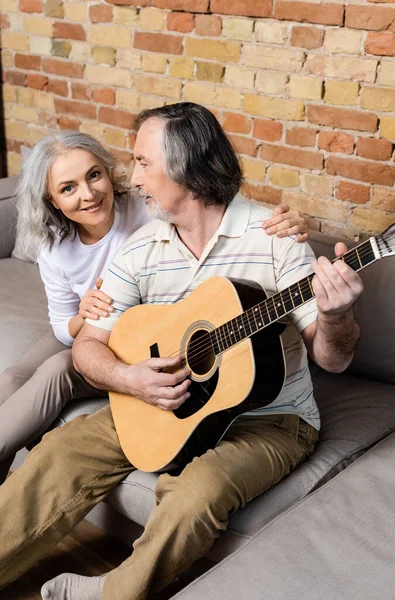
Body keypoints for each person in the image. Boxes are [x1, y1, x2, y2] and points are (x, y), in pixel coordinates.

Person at [0, 103, 363, 600]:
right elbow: (87, 346)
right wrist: (129, 380)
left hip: (270, 419)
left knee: (198, 492)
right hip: (156, 403)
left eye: (144, 163)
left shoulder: (276, 238)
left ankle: (110, 594)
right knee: (59, 454)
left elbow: (332, 359)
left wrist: (336, 314)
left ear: (186, 165)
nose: (135, 177)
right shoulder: (140, 248)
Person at [0, 130, 308, 485]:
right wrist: (83, 316)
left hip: (139, 332)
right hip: (85, 326)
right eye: (68, 188)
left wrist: (287, 221)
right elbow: (61, 325)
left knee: (57, 369)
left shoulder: (147, 209)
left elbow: (210, 211)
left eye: (94, 175)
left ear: (108, 172)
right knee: (10, 377)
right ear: (52, 200)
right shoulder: (55, 248)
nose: (88, 195)